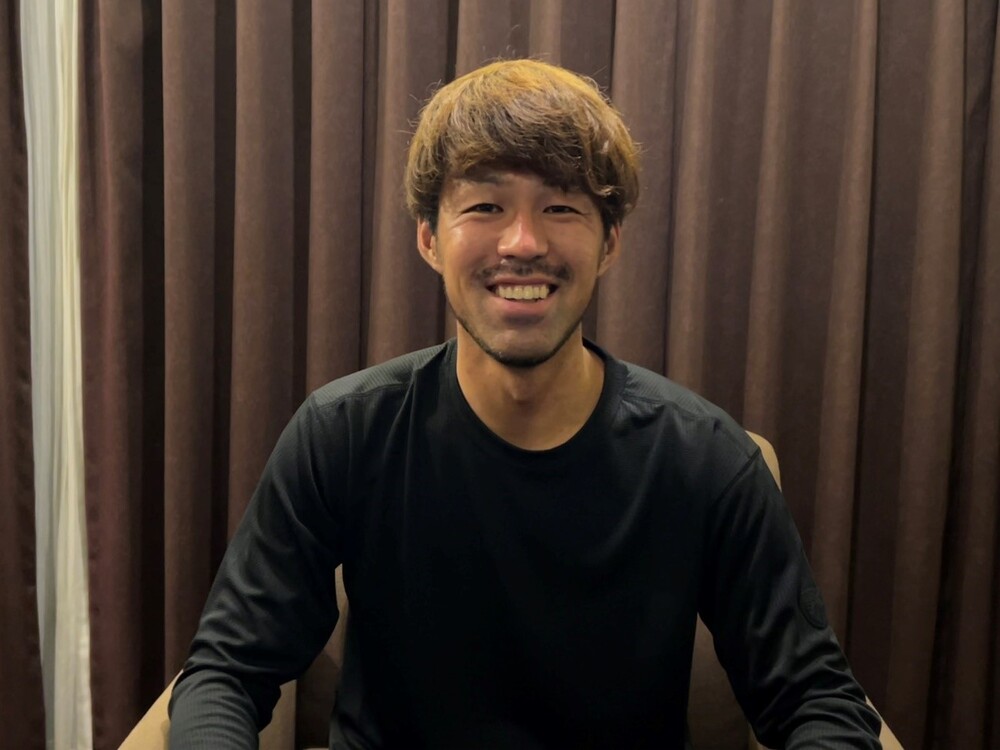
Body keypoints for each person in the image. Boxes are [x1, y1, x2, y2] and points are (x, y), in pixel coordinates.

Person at [168, 59, 882, 749]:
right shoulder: (344, 433)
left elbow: (817, 702)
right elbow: (228, 671)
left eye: (561, 207)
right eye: (486, 206)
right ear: (429, 239)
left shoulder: (704, 460)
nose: (522, 242)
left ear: (609, 244)